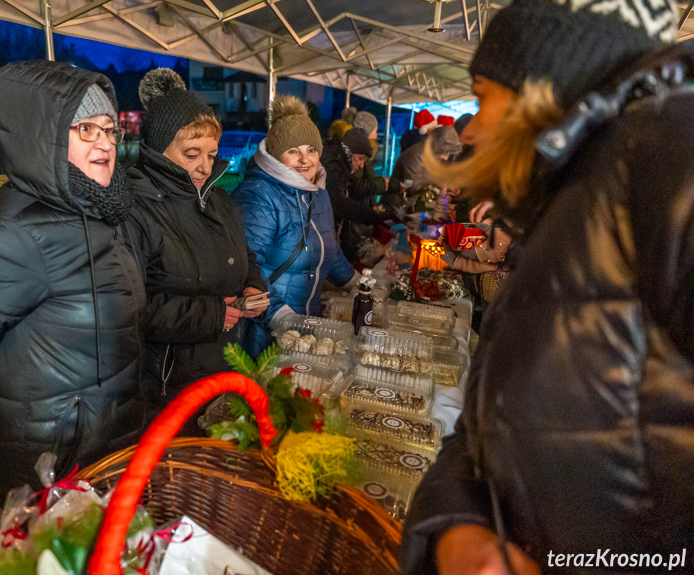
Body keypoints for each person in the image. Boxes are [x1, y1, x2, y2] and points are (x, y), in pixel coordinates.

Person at [400, 1, 693, 573]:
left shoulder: (669, 156)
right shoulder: (576, 200)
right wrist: (458, 525)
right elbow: (489, 420)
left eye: (482, 98)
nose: (474, 128)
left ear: (545, 87)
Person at [0, 60, 146, 495]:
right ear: (42, 138)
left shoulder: (101, 210)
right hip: (49, 467)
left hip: (108, 448)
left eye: (110, 130)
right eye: (86, 130)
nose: (105, 143)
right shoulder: (13, 233)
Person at [125, 69, 268, 427]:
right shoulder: (136, 209)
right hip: (168, 387)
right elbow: (131, 308)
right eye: (192, 154)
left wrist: (252, 284)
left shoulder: (218, 199)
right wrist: (212, 316)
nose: (205, 166)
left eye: (212, 153)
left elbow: (243, 253)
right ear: (161, 149)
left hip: (223, 368)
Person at [232, 95, 359, 357]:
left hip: (306, 327)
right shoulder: (258, 194)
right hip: (261, 332)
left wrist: (357, 283)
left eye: (311, 150)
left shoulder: (317, 191)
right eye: (293, 151)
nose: (305, 159)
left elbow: (328, 249)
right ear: (277, 156)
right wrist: (282, 317)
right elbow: (247, 265)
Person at [321, 127, 388, 261]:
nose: (361, 165)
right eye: (360, 158)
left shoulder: (341, 164)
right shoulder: (333, 164)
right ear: (349, 152)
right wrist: (372, 217)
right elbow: (337, 203)